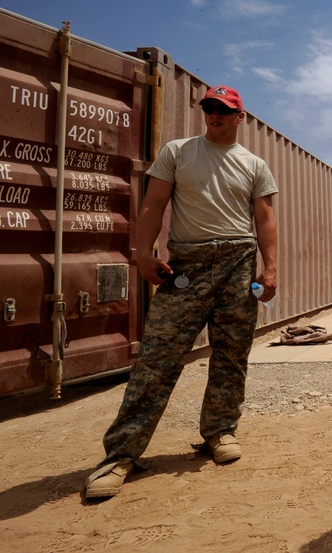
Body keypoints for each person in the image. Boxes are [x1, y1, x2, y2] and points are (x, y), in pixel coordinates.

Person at [84, 85, 279, 499]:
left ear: (239, 116)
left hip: (238, 265)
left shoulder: (254, 164)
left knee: (231, 355)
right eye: (208, 108)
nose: (214, 116)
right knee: (157, 358)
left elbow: (264, 218)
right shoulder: (178, 151)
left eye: (223, 110)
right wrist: (142, 254)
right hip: (186, 266)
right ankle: (121, 454)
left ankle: (220, 432)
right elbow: (154, 204)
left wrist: (272, 267)